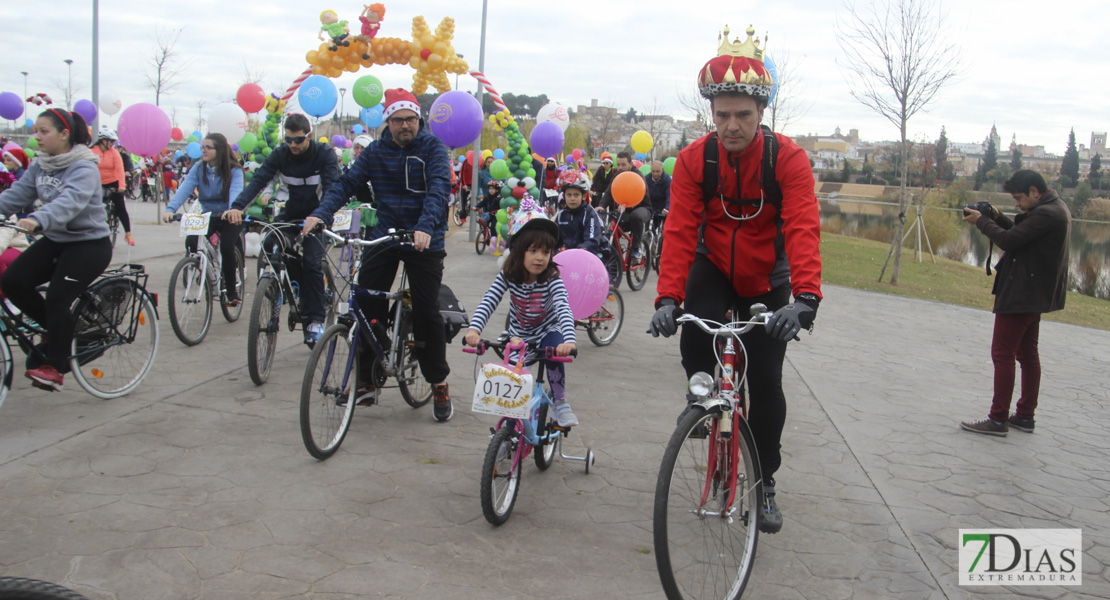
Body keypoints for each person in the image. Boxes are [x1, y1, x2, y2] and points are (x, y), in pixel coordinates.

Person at [647, 26, 823, 535]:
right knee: (692, 330)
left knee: (766, 381)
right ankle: (703, 398)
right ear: (712, 114)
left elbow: (804, 227)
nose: (730, 126)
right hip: (714, 269)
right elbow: (679, 229)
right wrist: (666, 296)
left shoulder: (786, 159)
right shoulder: (694, 160)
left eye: (742, 115)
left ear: (761, 114)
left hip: (769, 279)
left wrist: (806, 298)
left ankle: (765, 479)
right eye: (721, 115)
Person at [304, 88, 455, 422]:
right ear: (387, 122)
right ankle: (368, 380)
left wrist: (426, 226)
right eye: (398, 120)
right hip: (384, 235)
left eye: (411, 120)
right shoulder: (374, 152)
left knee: (428, 312)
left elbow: (439, 189)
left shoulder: (432, 148)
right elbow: (345, 185)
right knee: (365, 306)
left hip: (423, 239)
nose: (405, 126)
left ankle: (438, 382)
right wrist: (321, 213)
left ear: (419, 119)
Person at [0, 108, 112, 391]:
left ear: (64, 134)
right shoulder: (41, 164)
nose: (36, 137)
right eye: (35, 131)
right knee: (12, 281)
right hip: (57, 240)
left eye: (43, 131)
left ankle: (55, 367)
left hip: (89, 244)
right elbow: (17, 194)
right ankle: (59, 331)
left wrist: (37, 220)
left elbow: (70, 202)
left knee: (57, 299)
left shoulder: (84, 166)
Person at [959, 170, 1071, 436]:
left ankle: (997, 419)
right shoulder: (1056, 208)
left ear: (1034, 191)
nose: (1017, 204)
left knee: (1003, 353)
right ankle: (1024, 415)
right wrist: (996, 217)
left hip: (1023, 294)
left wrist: (982, 222)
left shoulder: (1046, 213)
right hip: (1035, 294)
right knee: (1027, 354)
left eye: (1019, 198)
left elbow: (1009, 241)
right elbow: (1022, 235)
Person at [225, 113, 339, 343]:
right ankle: (294, 286)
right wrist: (238, 206)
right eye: (288, 140)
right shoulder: (280, 154)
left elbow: (332, 189)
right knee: (270, 243)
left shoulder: (324, 154)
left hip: (318, 215)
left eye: (298, 140)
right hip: (292, 214)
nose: (292, 145)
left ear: (308, 136)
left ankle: (316, 318)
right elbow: (259, 181)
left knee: (312, 261)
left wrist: (320, 216)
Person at [464, 203, 578, 426]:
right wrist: (474, 330)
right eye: (533, 250)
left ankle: (560, 402)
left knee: (554, 351)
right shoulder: (509, 275)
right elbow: (489, 300)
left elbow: (563, 307)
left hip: (548, 329)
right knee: (513, 387)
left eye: (546, 252)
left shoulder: (552, 278)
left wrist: (570, 340)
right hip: (519, 335)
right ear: (519, 250)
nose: (540, 258)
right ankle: (509, 433)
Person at [163, 133, 246, 306]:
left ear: (220, 150)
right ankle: (206, 272)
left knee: (227, 245)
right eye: (203, 147)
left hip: (230, 214)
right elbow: (185, 188)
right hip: (208, 214)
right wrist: (170, 209)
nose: (204, 150)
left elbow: (236, 191)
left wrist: (232, 209)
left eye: (208, 147)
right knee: (192, 241)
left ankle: (231, 291)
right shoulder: (199, 167)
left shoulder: (234, 170)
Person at [602, 152, 652, 259]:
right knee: (612, 227)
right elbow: (609, 192)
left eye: (623, 165)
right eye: (618, 165)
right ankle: (614, 264)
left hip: (642, 208)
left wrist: (627, 206)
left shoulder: (638, 176)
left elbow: (641, 196)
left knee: (636, 216)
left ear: (630, 164)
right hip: (624, 211)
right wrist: (601, 206)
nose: (620, 168)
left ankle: (636, 248)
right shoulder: (617, 175)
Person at [91, 127, 135, 246]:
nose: (113, 144)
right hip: (97, 182)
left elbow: (120, 170)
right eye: (110, 141)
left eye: (113, 141)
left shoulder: (114, 153)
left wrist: (121, 186)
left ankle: (128, 233)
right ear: (102, 140)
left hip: (113, 181)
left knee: (120, 207)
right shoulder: (92, 151)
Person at [554, 176, 610, 264]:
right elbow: (555, 239)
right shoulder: (561, 215)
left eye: (576, 195)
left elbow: (592, 241)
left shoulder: (589, 213)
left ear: (583, 196)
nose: (572, 198)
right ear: (564, 196)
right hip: (573, 254)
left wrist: (577, 252)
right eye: (569, 195)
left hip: (596, 251)